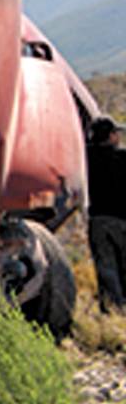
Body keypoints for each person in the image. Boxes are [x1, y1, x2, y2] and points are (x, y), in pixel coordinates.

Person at [87, 116, 126, 311]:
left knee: (106, 270)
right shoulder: (122, 158)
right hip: (122, 219)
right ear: (111, 136)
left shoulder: (86, 159)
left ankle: (113, 311)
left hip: (98, 220)